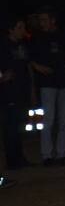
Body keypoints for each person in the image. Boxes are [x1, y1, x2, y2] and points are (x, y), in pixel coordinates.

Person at [29, 7, 65, 166]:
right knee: (48, 120)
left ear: (52, 20)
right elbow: (30, 59)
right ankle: (47, 155)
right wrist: (38, 67)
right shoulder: (37, 37)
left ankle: (62, 154)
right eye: (40, 20)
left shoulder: (63, 34)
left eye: (44, 19)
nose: (41, 23)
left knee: (63, 121)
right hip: (47, 82)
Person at [0, 15, 34, 175]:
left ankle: (20, 157)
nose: (23, 30)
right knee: (10, 127)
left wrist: (32, 89)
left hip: (22, 90)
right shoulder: (3, 45)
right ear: (11, 29)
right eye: (19, 27)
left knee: (20, 126)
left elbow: (27, 66)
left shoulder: (22, 45)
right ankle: (12, 161)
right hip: (8, 93)